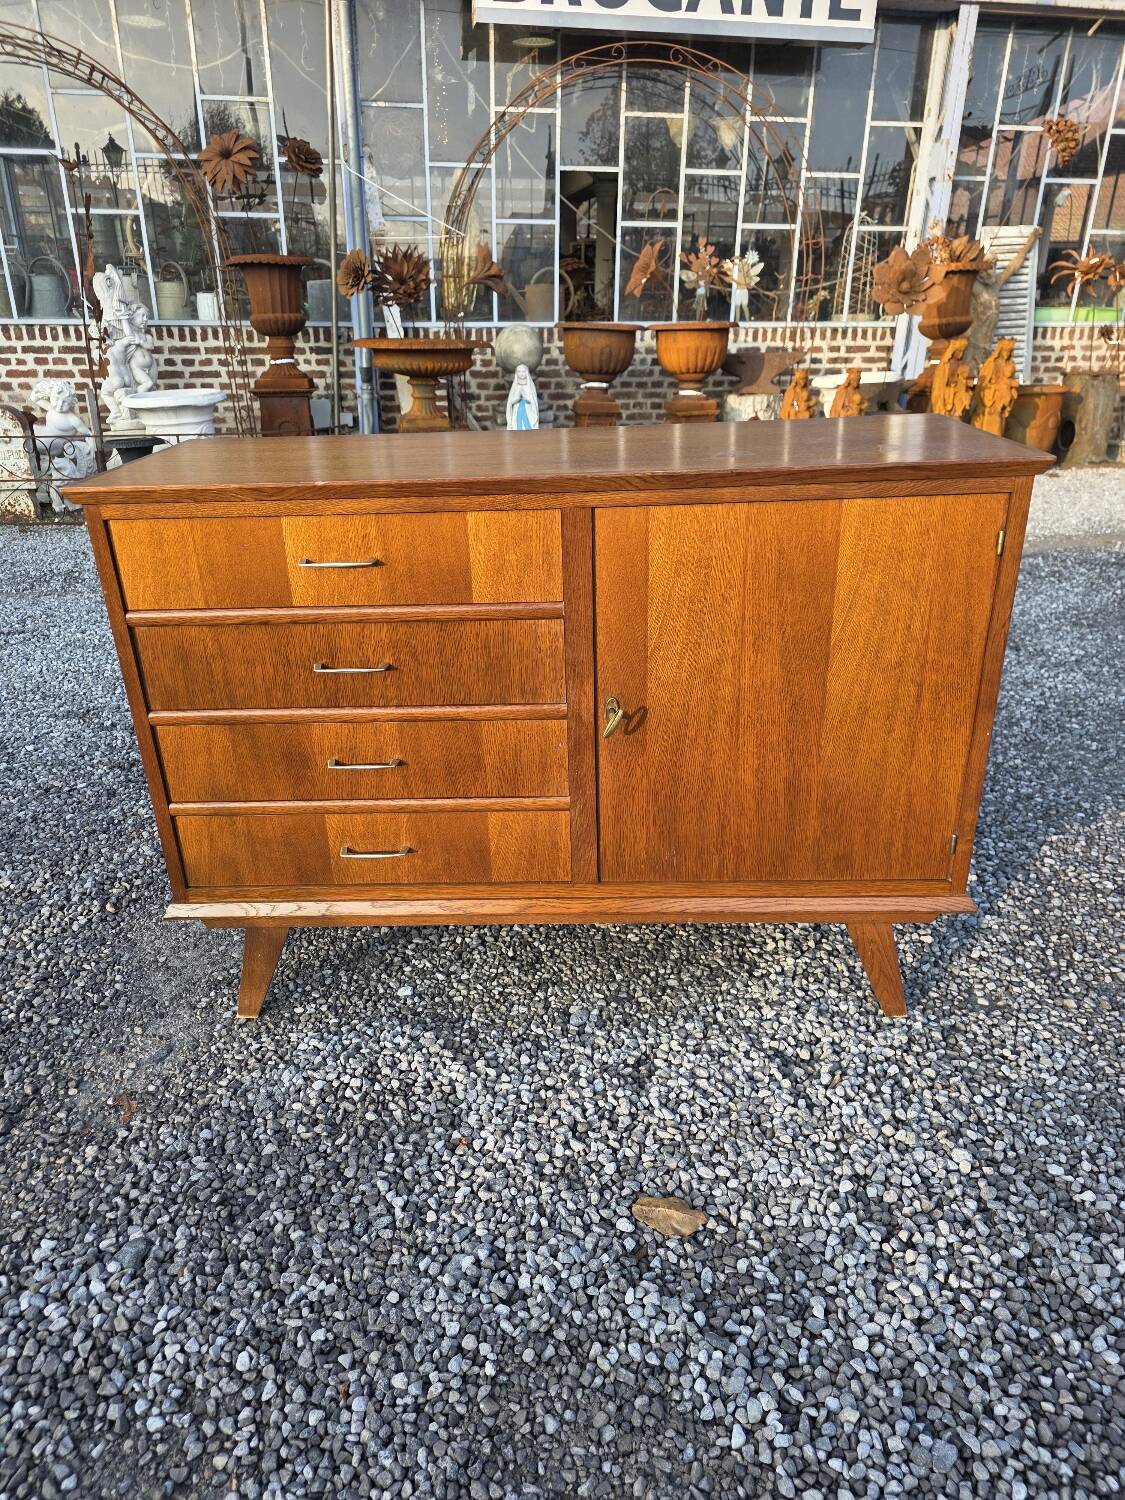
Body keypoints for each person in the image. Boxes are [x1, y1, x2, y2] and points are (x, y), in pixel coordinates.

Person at [506, 363, 539, 431]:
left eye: (523, 371)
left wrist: (525, 396)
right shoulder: (515, 386)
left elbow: (533, 401)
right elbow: (510, 402)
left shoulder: (530, 385)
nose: (521, 373)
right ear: (516, 373)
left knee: (527, 425)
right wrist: (517, 397)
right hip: (517, 409)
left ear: (527, 372)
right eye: (519, 371)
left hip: (528, 410)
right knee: (518, 425)